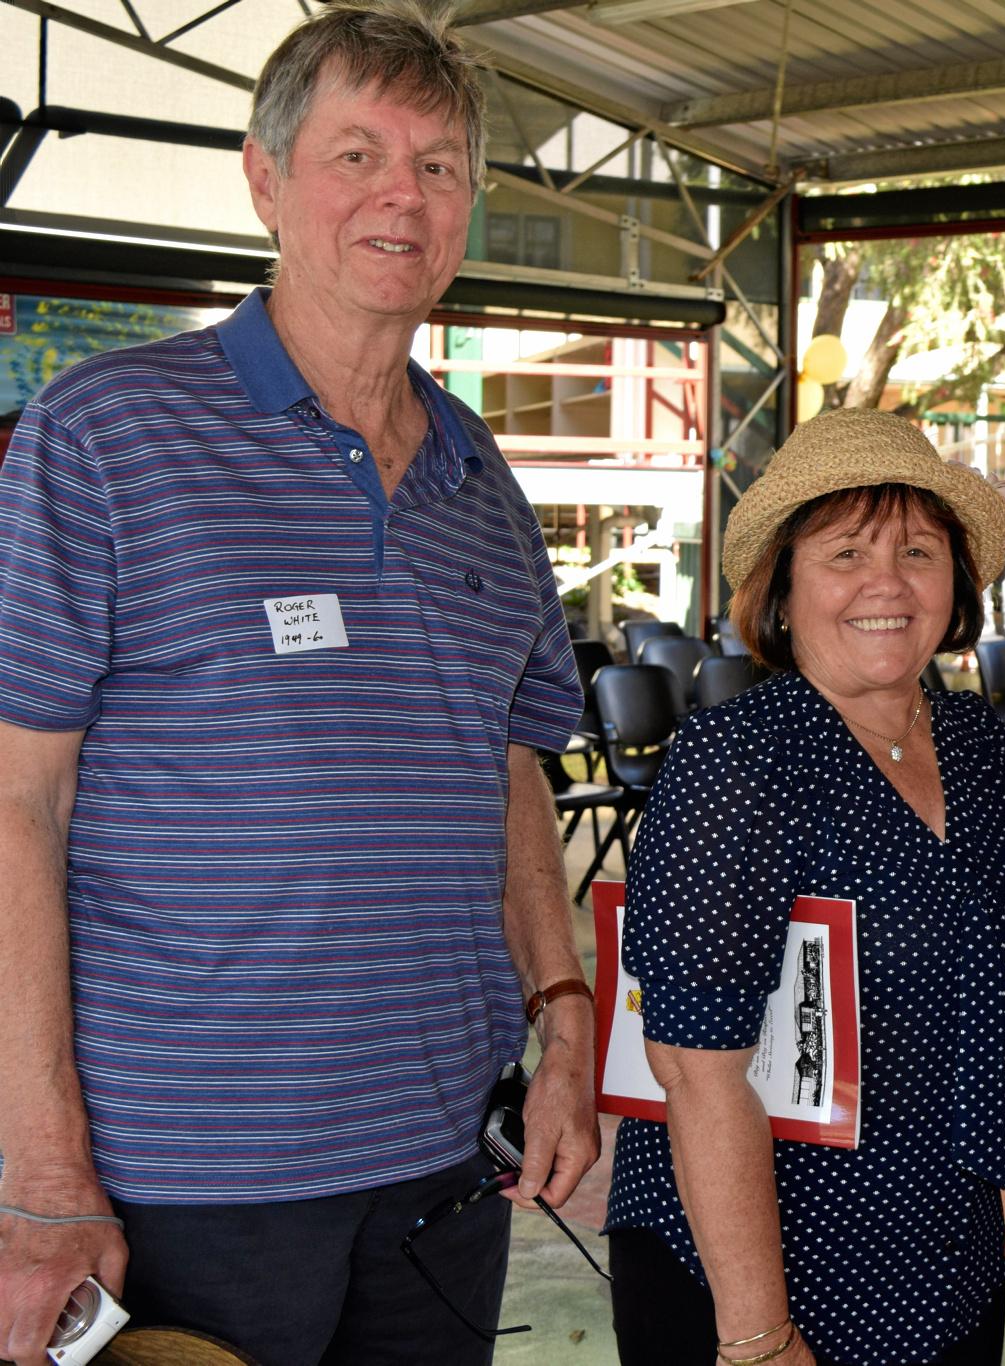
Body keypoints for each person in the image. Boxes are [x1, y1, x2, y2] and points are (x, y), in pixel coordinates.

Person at [0, 6, 600, 1363]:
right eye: (358, 153)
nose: (404, 193)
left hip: (442, 1170)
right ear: (266, 179)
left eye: (440, 165)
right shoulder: (103, 435)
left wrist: (564, 1018)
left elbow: (511, 760)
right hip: (186, 1178)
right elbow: (14, 806)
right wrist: (39, 1170)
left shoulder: (481, 478)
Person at [603, 407, 1005, 1366]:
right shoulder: (739, 762)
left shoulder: (975, 748)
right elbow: (693, 1064)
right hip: (754, 1280)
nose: (887, 584)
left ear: (956, 584)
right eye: (846, 553)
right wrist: (759, 1336)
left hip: (940, 1264)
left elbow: (1001, 1004)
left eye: (920, 552)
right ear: (784, 588)